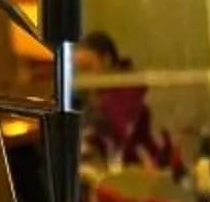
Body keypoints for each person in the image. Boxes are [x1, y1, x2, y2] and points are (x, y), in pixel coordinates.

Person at [75, 32, 177, 172]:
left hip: (151, 169)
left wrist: (99, 104)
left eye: (88, 68)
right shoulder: (89, 96)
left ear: (107, 60)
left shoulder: (132, 90)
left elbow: (123, 132)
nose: (84, 77)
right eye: (79, 70)